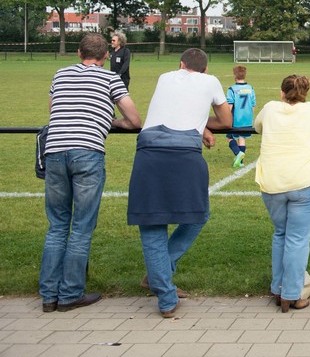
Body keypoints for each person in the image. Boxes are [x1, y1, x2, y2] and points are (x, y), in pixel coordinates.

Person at [39, 33, 142, 313]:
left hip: (55, 151)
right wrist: (109, 119)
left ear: (78, 53)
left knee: (57, 226)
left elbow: (53, 110)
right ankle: (71, 293)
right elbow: (134, 120)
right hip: (87, 152)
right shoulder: (110, 79)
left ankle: (48, 295)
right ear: (106, 55)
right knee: (82, 227)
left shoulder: (60, 74)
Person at [128, 48, 232, 318]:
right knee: (199, 215)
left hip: (149, 151)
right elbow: (227, 120)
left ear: (180, 65)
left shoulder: (165, 77)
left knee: (151, 224)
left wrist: (200, 124)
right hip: (184, 152)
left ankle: (164, 294)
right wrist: (203, 125)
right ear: (206, 69)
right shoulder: (210, 81)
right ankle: (161, 277)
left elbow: (173, 108)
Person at [255, 75, 310, 312]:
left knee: (280, 235)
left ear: (282, 93)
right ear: (305, 93)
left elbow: (257, 126)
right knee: (297, 239)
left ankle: (279, 289)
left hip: (272, 182)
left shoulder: (270, 108)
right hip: (305, 182)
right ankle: (292, 294)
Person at [226, 65, 256, 169]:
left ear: (234, 75)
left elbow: (229, 106)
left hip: (236, 119)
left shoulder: (232, 89)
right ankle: (241, 162)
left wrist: (226, 118)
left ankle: (238, 153)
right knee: (242, 138)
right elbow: (253, 105)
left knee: (230, 138)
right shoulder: (250, 88)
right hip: (247, 119)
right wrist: (250, 117)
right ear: (245, 75)